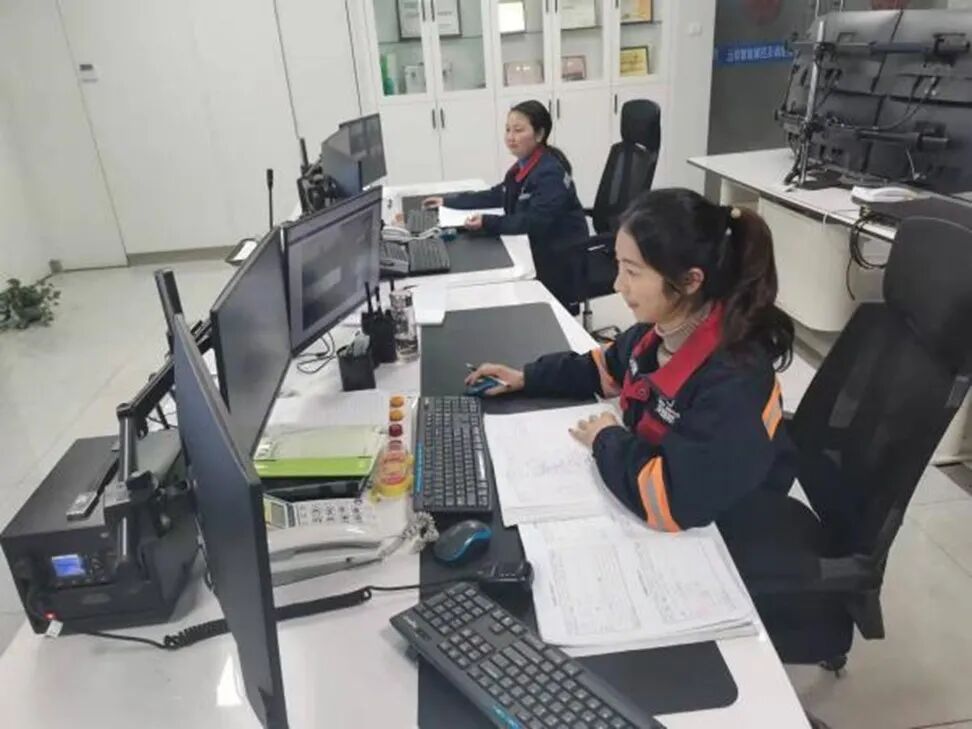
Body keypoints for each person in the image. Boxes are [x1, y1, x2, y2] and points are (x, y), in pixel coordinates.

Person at [465, 188, 797, 534]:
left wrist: (605, 437)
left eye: (633, 272)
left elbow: (670, 499)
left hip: (732, 527)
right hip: (679, 485)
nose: (617, 284)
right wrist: (527, 377)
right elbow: (603, 367)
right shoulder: (655, 333)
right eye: (619, 266)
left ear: (689, 281)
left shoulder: (732, 381)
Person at [424, 100, 589, 312]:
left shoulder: (550, 173)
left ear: (539, 134)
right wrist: (449, 202)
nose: (510, 137)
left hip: (558, 258)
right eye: (508, 129)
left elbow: (534, 222)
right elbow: (498, 194)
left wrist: (487, 222)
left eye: (518, 130)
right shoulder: (524, 165)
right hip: (534, 248)